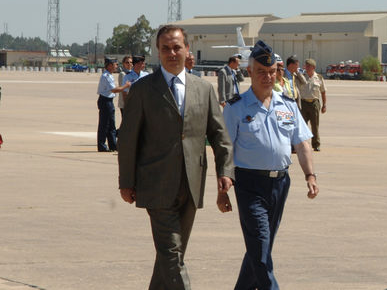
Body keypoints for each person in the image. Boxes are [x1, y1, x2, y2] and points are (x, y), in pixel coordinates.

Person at [117, 25, 234, 289]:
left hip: (191, 185)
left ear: (187, 49)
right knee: (172, 256)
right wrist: (126, 181)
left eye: (176, 47)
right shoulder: (144, 89)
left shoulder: (203, 89)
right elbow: (128, 139)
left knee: (172, 256)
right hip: (155, 185)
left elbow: (219, 135)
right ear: (158, 52)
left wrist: (225, 171)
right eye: (165, 48)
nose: (172, 53)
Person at [221, 40, 319, 289]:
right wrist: (222, 188)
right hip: (249, 184)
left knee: (259, 248)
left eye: (272, 72)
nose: (267, 77)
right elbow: (225, 151)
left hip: (279, 184)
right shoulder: (236, 108)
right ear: (250, 72)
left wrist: (310, 175)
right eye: (261, 72)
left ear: (278, 72)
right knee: (262, 250)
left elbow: (304, 143)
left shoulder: (286, 104)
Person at [97, 57, 130, 152]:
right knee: (104, 124)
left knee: (111, 124)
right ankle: (102, 145)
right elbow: (114, 89)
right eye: (115, 64)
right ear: (110, 65)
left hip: (109, 101)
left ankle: (113, 145)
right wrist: (126, 86)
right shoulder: (106, 76)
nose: (117, 66)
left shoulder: (109, 75)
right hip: (105, 101)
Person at [297, 58, 326, 151]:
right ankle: (303, 144)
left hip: (314, 103)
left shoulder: (319, 78)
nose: (307, 67)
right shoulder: (301, 76)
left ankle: (316, 144)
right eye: (306, 66)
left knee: (315, 126)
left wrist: (324, 105)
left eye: (309, 66)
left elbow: (323, 92)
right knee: (302, 125)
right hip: (303, 103)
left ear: (313, 67)